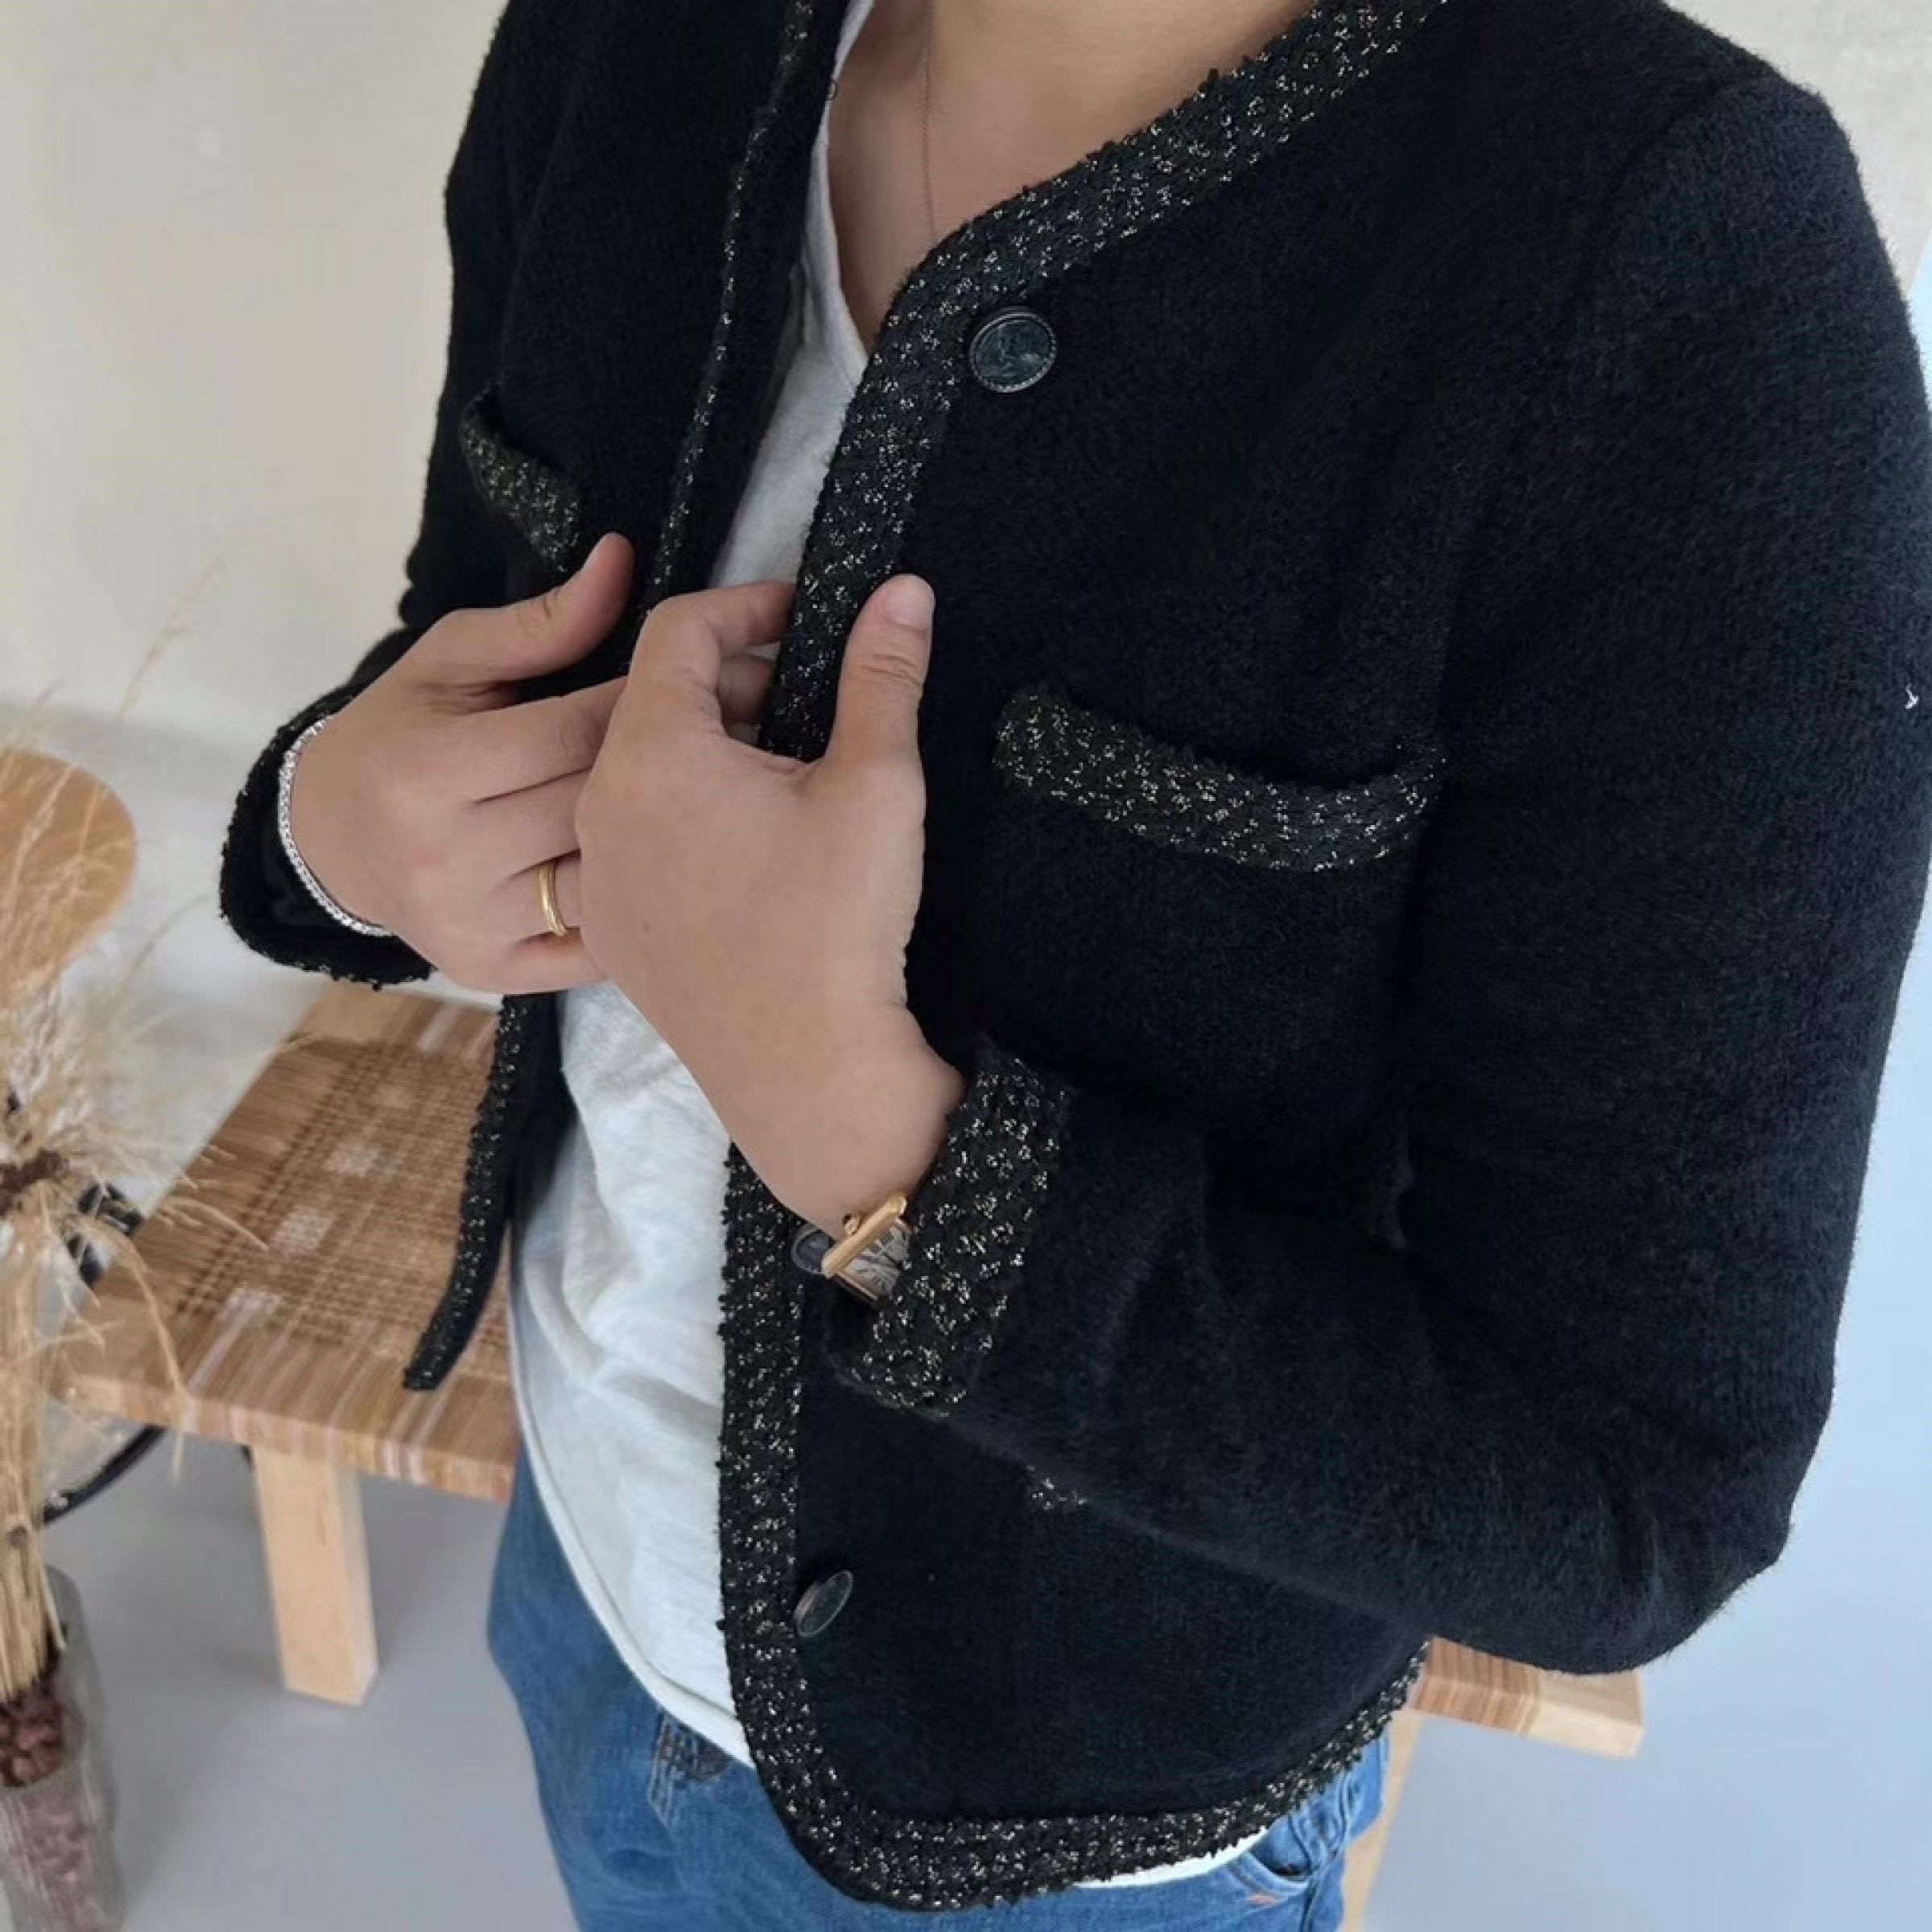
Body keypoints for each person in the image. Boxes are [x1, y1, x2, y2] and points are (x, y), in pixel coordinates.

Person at [217, 0, 1932, 1925]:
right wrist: (329, 823)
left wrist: (878, 1152)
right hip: (575, 1582)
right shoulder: (636, 39)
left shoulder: (1682, 275)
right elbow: (464, 647)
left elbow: (1627, 1490)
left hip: (1062, 1837)